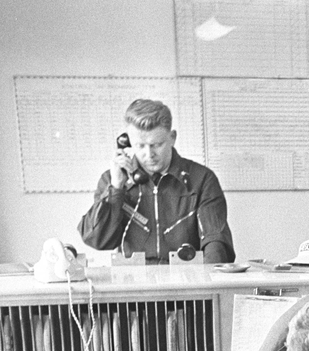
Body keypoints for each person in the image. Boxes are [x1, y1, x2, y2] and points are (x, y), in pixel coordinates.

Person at [78, 98, 235, 265]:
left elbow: (215, 241)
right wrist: (116, 189)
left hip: (187, 281)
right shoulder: (112, 180)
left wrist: (207, 279)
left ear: (172, 137)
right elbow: (97, 240)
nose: (149, 154)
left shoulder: (201, 179)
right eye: (140, 146)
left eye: (157, 144)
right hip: (135, 284)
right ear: (128, 143)